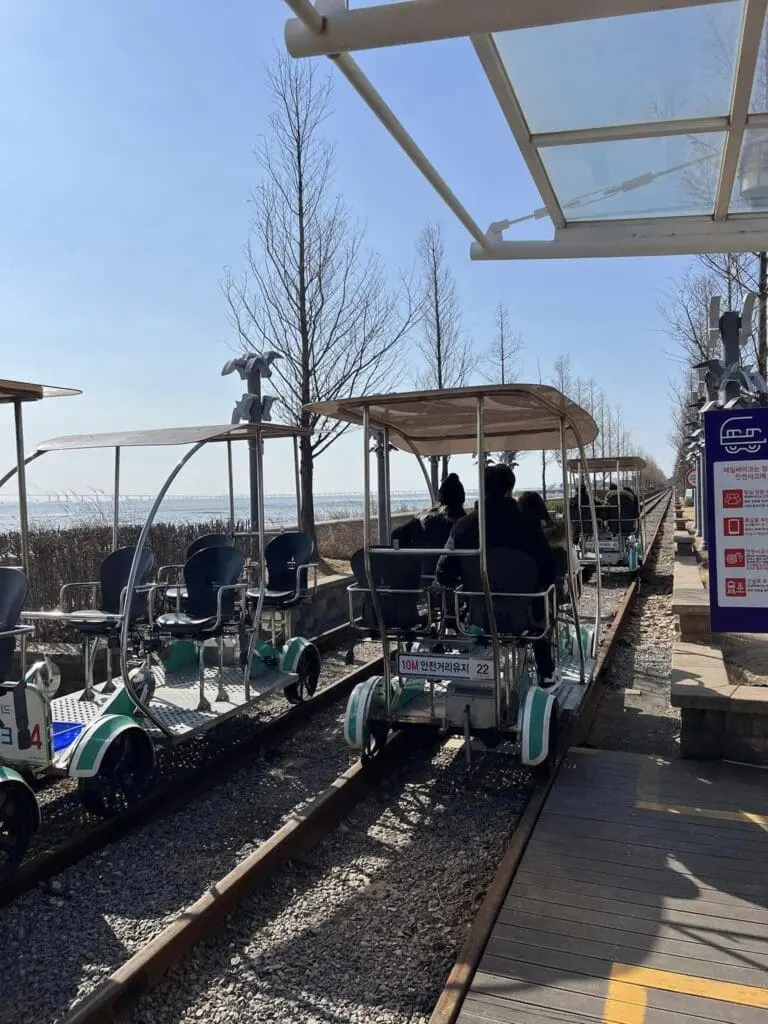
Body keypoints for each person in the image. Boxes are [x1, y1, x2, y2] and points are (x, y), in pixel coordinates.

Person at [436, 464, 559, 687]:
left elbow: (444, 573)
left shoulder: (463, 526)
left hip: (478, 615)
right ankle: (546, 672)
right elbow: (549, 570)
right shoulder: (528, 526)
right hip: (524, 615)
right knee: (540, 601)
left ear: (482, 489)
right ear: (509, 490)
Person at [391, 472, 466, 554]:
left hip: (423, 560)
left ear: (441, 499)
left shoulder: (423, 520)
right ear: (461, 500)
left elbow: (396, 535)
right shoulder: (466, 524)